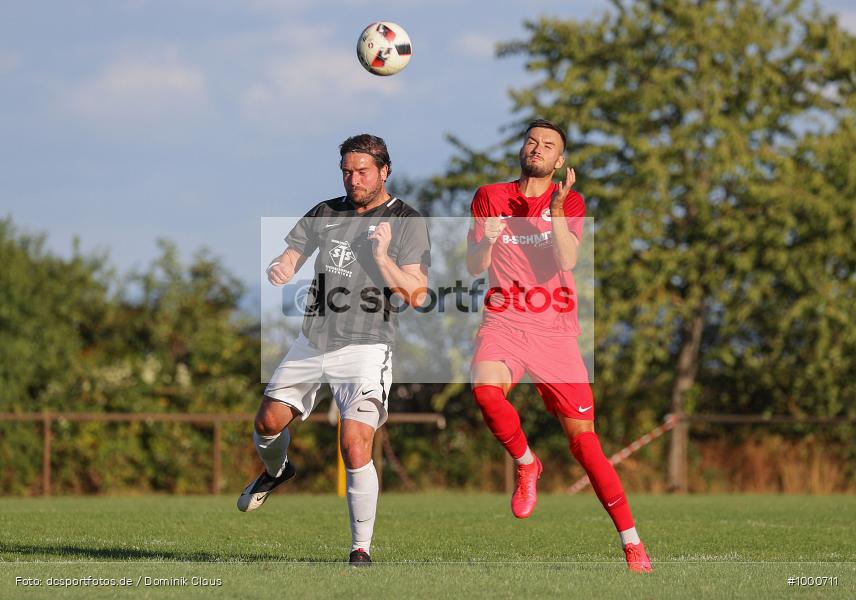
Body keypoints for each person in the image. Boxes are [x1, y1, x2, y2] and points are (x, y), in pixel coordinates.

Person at [466, 119, 652, 573]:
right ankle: (527, 463)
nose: (538, 148)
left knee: (586, 447)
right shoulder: (489, 196)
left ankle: (632, 543)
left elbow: (567, 259)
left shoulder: (570, 202)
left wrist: (556, 213)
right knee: (485, 391)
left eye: (548, 145)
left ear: (559, 160)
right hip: (504, 319)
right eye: (532, 141)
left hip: (555, 330)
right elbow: (473, 265)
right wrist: (485, 243)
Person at [238, 134, 431, 567]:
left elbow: (417, 293)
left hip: (367, 347)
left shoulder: (406, 220)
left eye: (363, 171)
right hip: (313, 341)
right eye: (347, 171)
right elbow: (292, 253)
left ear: (384, 171)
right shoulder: (326, 211)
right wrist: (283, 265)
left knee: (355, 440)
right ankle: (276, 471)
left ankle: (360, 549)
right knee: (267, 423)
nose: (354, 179)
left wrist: (381, 255)